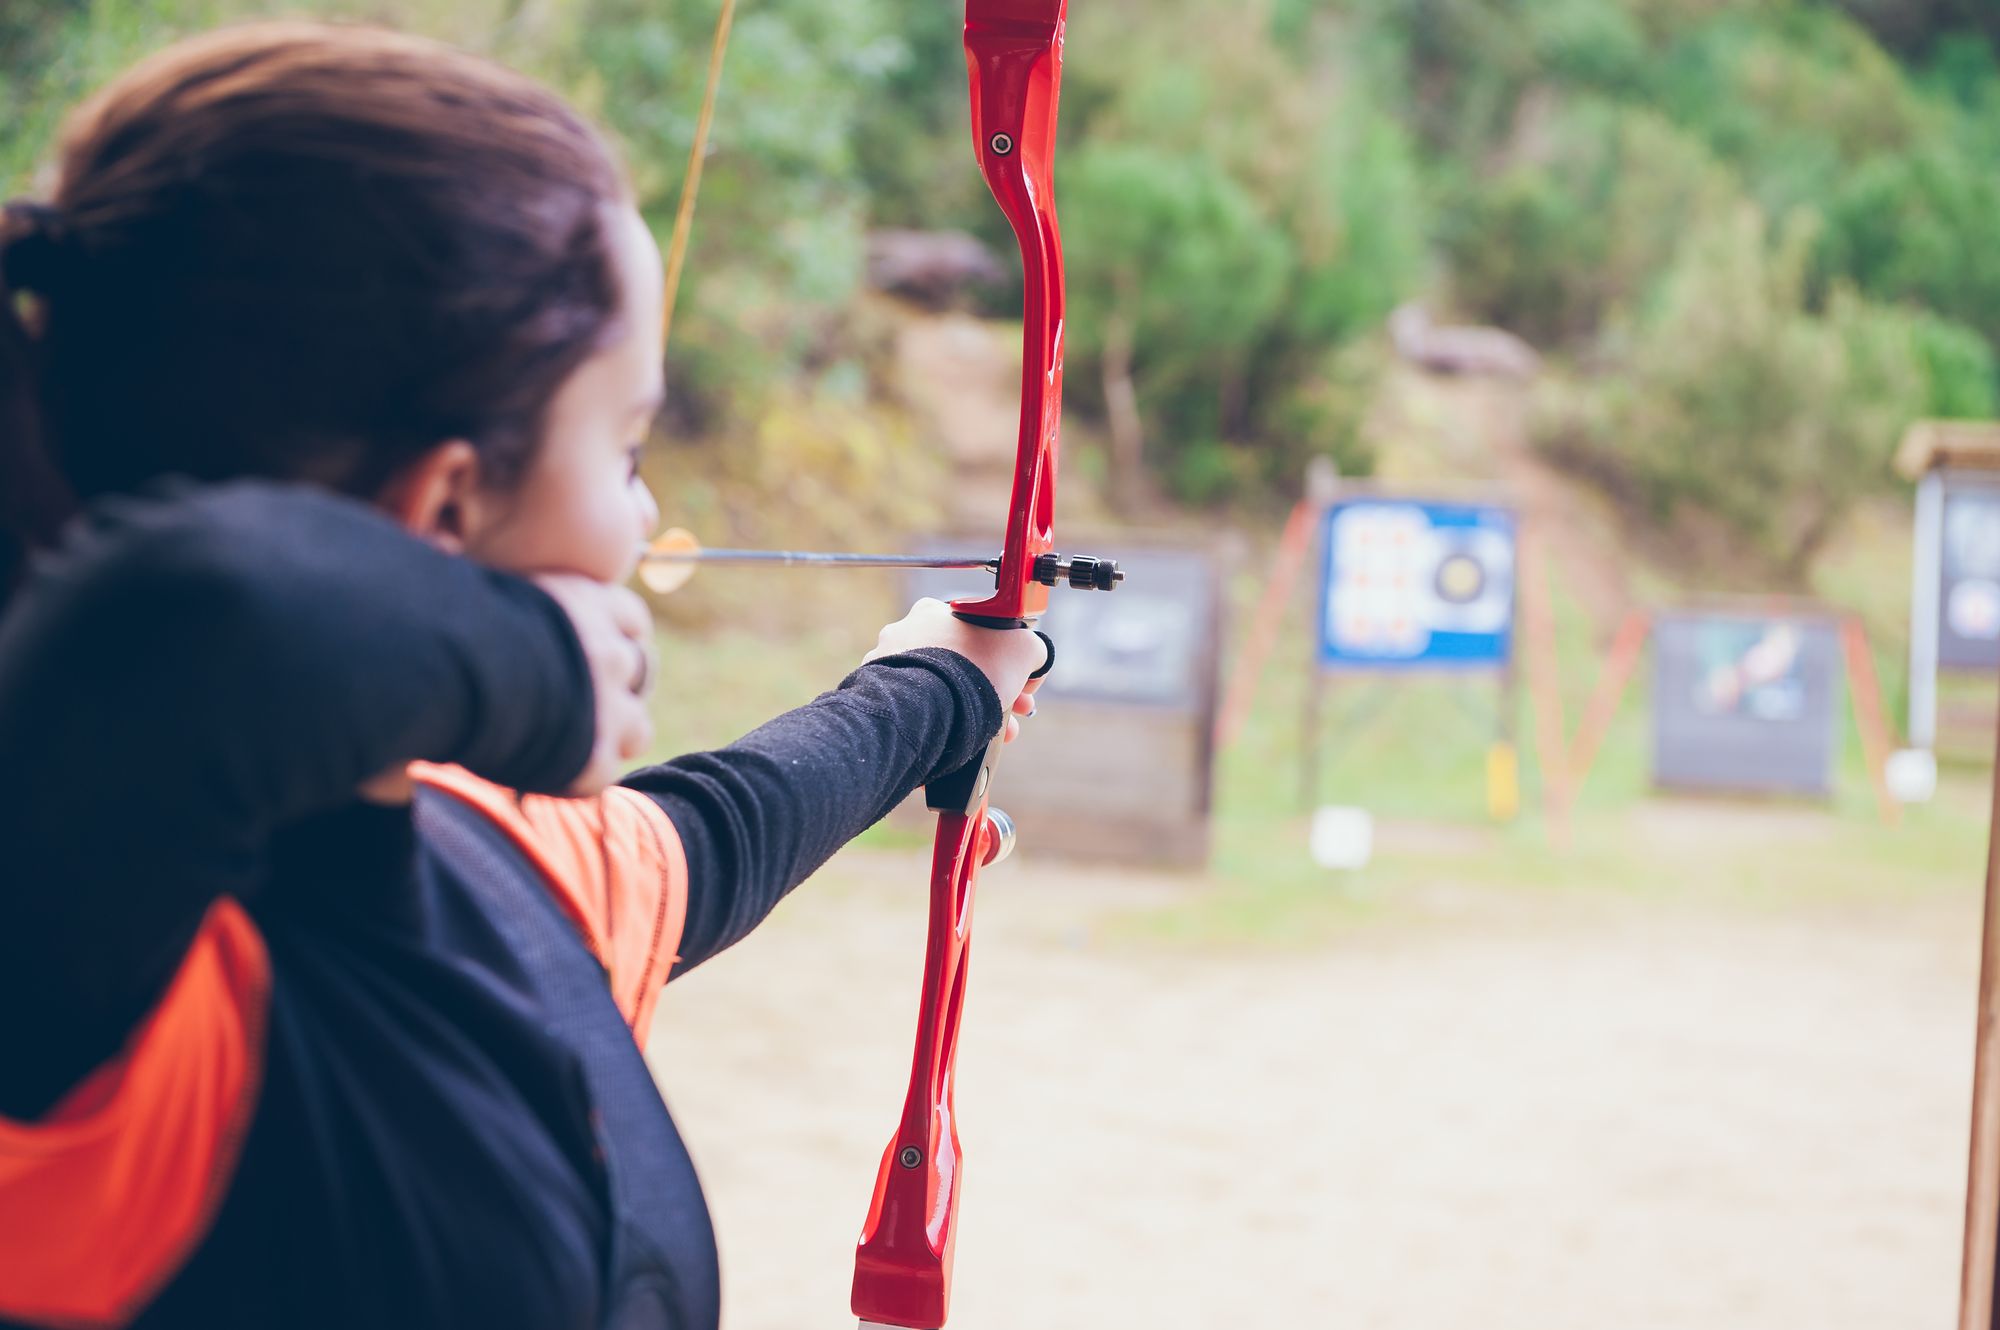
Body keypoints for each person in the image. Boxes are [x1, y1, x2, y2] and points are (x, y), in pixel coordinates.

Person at [0, 21, 1046, 1330]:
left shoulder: (479, 858)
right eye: (625, 444)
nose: (644, 507)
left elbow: (707, 842)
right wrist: (540, 667)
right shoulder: (98, 988)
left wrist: (939, 684)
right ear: (445, 504)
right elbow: (184, 629)